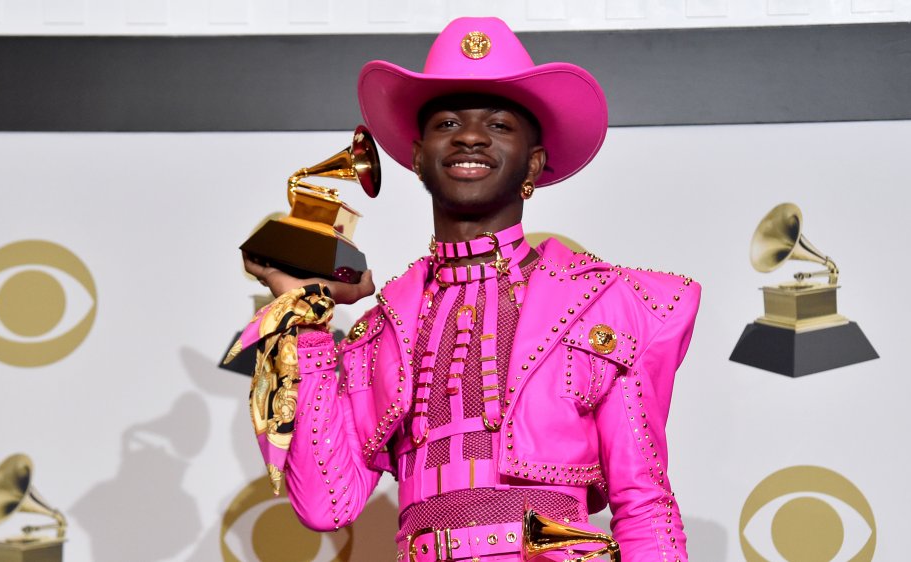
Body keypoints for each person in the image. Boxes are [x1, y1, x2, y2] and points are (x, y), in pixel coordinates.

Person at [230, 16, 700, 562]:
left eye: (499, 125)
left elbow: (644, 504)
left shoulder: (607, 306)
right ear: (417, 156)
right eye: (447, 122)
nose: (471, 135)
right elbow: (326, 506)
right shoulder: (381, 330)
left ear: (535, 163)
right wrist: (304, 316)